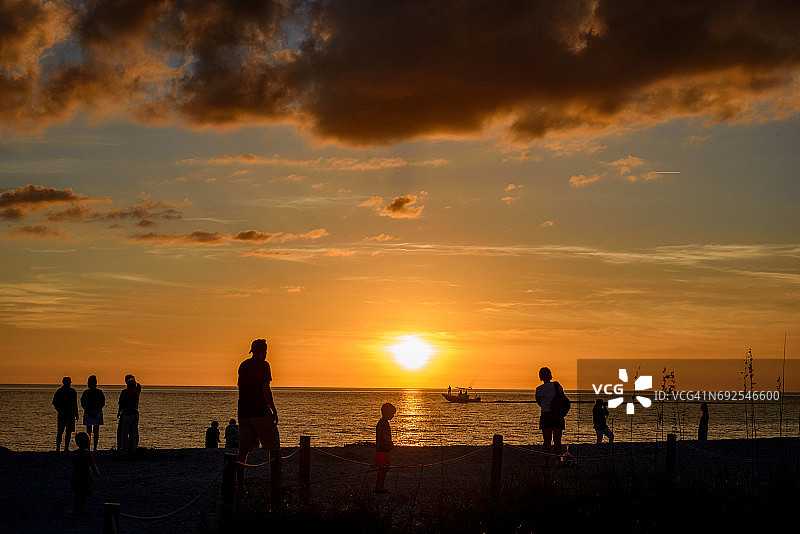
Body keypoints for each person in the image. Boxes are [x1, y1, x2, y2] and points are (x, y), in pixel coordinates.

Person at [236, 339, 280, 502]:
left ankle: (240, 487)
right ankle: (276, 485)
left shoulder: (243, 365)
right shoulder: (264, 365)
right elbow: (265, 388)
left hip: (244, 413)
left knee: (243, 451)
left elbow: (241, 388)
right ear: (265, 351)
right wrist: (273, 410)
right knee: (273, 447)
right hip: (260, 412)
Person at [535, 367, 565, 456]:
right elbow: (562, 398)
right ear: (550, 375)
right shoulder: (557, 385)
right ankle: (558, 460)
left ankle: (546, 462)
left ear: (540, 376)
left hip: (545, 415)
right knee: (557, 440)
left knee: (547, 441)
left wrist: (546, 405)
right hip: (557, 415)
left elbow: (539, 402)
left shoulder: (539, 389)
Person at [70, 431, 99, 513]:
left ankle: (78, 507)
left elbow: (71, 459)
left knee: (77, 492)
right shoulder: (88, 454)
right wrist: (96, 472)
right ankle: (81, 506)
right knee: (82, 493)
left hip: (77, 476)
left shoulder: (75, 453)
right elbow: (93, 464)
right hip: (86, 476)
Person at [374, 402, 396, 493]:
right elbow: (384, 436)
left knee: (381, 469)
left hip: (379, 449)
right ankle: (380, 487)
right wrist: (390, 443)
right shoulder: (384, 423)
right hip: (384, 450)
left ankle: (379, 487)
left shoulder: (380, 422)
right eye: (392, 414)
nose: (393, 416)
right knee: (384, 469)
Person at [53, 377, 79, 452]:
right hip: (64, 414)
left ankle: (64, 448)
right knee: (62, 432)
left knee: (67, 432)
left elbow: (75, 403)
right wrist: (59, 411)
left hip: (69, 414)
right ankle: (59, 447)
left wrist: (76, 414)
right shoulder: (60, 391)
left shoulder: (72, 391)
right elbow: (55, 403)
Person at [81, 375, 105, 451]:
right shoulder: (98, 392)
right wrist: (96, 411)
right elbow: (102, 403)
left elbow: (83, 403)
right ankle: (94, 447)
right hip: (95, 413)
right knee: (95, 431)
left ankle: (90, 447)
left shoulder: (87, 392)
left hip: (91, 413)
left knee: (89, 431)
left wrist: (89, 411)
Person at [117, 375, 140, 453]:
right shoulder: (136, 393)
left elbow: (121, 403)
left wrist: (119, 412)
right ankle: (132, 448)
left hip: (127, 414)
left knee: (125, 432)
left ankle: (124, 448)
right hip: (135, 414)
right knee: (133, 432)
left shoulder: (125, 392)